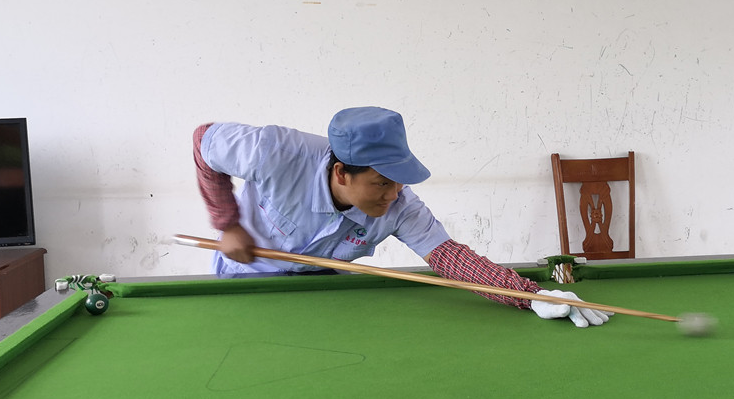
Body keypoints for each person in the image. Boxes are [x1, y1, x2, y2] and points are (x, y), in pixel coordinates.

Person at [193, 107, 611, 328]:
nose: (394, 195)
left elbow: (450, 258)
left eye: (399, 182)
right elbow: (203, 142)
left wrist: (531, 296)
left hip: (321, 296)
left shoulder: (399, 205)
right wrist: (228, 223)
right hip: (242, 283)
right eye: (382, 183)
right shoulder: (274, 152)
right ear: (341, 173)